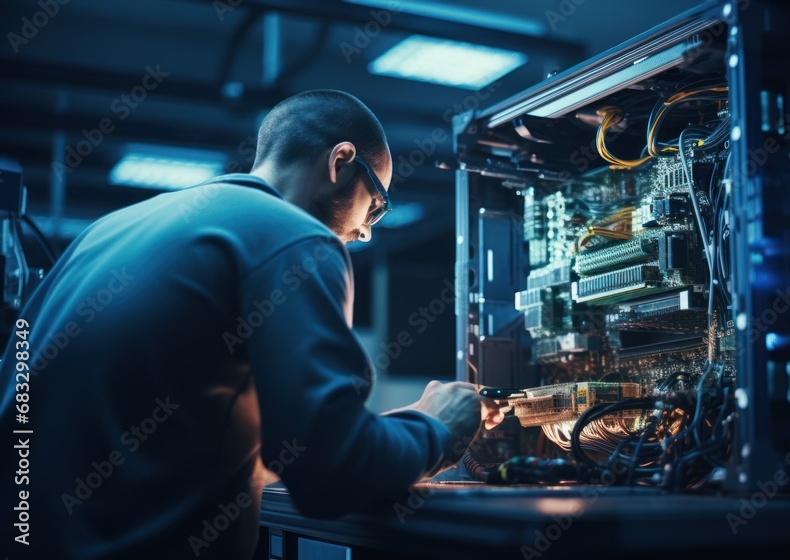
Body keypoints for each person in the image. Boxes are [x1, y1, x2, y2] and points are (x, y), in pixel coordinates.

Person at [0, 90, 501, 559]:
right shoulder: (297, 240)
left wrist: (394, 426)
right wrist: (438, 428)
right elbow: (331, 474)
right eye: (375, 204)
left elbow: (273, 443)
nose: (367, 232)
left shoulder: (104, 233)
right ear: (341, 161)